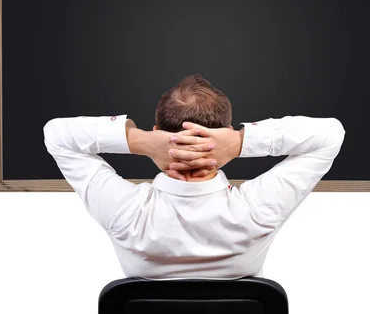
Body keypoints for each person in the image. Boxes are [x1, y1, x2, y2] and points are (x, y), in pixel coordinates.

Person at [43, 74, 345, 279]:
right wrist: (240, 143)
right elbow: (330, 135)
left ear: (159, 132)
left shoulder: (126, 213)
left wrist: (140, 141)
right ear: (223, 133)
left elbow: (56, 136)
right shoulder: (257, 211)